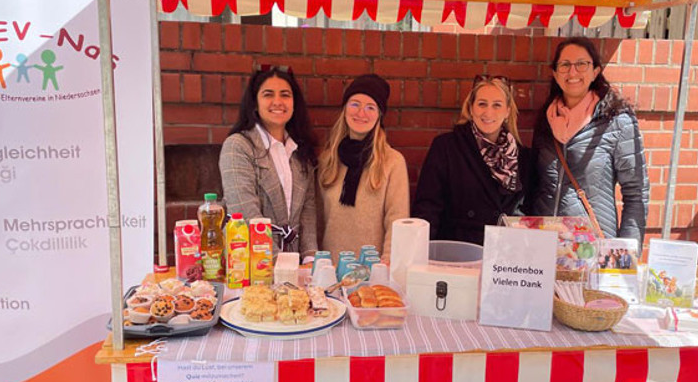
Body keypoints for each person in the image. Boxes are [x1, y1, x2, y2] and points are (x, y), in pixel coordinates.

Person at [530, 37, 649, 246]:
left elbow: (636, 194)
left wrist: (626, 254)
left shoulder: (618, 121)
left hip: (592, 248)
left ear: (595, 71)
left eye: (581, 64)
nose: (572, 72)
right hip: (545, 246)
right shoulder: (546, 121)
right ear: (555, 74)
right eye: (565, 65)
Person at [412, 75, 532, 245]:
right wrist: (422, 251)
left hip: (504, 255)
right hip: (458, 251)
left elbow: (527, 214)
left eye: (497, 105)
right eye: (482, 104)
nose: (488, 112)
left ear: (507, 112)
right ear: (471, 108)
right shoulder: (446, 146)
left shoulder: (524, 157)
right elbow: (428, 207)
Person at [219, 65, 318, 258]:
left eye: (285, 95)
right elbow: (246, 214)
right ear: (255, 103)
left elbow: (308, 211)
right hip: (249, 261)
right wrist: (277, 263)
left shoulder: (301, 151)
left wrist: (310, 258)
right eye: (268, 94)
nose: (278, 101)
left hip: (293, 264)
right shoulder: (238, 146)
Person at [317, 74, 409, 262]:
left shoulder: (392, 162)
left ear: (379, 115)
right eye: (354, 104)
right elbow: (316, 218)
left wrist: (388, 262)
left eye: (370, 107)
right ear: (344, 109)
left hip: (372, 269)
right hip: (329, 269)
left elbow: (397, 220)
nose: (361, 113)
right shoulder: (327, 160)